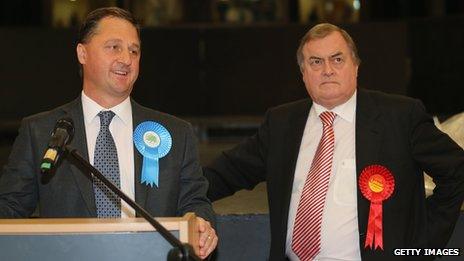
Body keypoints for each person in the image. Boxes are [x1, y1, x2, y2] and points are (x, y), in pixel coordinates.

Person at [204, 23, 464, 260]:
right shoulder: (282, 122)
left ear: (356, 66)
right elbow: (229, 172)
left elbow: (457, 171)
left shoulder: (400, 116)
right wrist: (176, 193)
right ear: (303, 73)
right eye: (315, 62)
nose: (327, 70)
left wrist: (417, 246)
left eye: (337, 59)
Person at [0, 7, 217, 259]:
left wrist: (202, 225)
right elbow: (9, 209)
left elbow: (196, 203)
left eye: (134, 50)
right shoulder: (40, 132)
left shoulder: (175, 133)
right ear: (82, 53)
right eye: (114, 47)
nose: (126, 59)